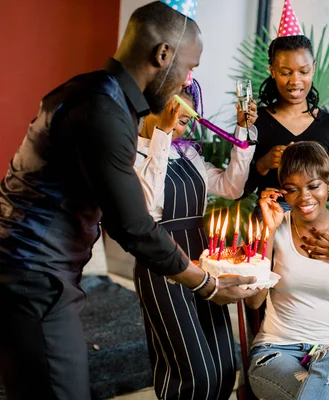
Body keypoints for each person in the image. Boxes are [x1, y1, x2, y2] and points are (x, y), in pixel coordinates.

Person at [0, 2, 256, 399]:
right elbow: (133, 226)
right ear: (163, 54)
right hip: (33, 276)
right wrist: (206, 285)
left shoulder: (95, 95)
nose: (187, 82)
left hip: (35, 273)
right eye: (190, 68)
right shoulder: (102, 111)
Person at [133, 79, 258, 400]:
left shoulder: (188, 153)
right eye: (172, 116)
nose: (178, 127)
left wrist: (243, 134)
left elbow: (232, 187)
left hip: (204, 261)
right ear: (150, 110)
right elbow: (149, 207)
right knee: (193, 373)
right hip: (162, 264)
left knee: (226, 367)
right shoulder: (131, 155)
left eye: (185, 120)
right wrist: (161, 135)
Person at [245, 141, 329, 400]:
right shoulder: (274, 228)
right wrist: (267, 233)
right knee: (321, 393)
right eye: (292, 190)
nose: (304, 197)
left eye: (314, 186)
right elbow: (253, 301)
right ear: (282, 191)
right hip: (273, 352)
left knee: (323, 382)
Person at [243, 0, 329, 212]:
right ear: (272, 70)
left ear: (313, 68)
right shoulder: (256, 121)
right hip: (269, 220)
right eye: (286, 72)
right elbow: (241, 190)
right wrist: (264, 163)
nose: (295, 81)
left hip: (313, 223)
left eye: (303, 72)